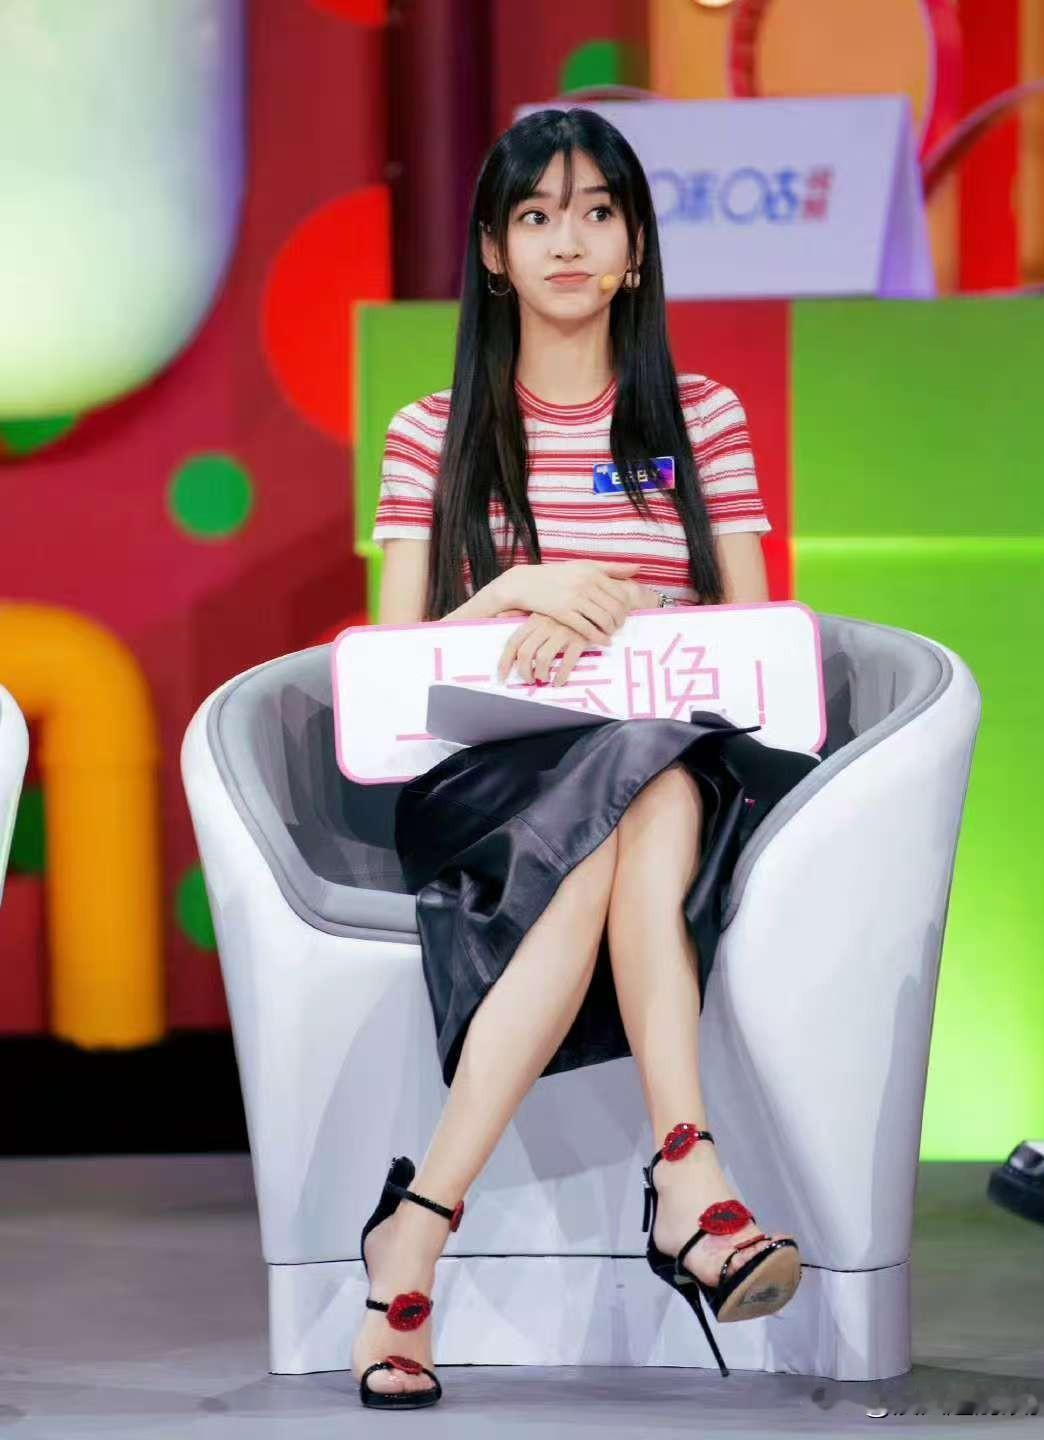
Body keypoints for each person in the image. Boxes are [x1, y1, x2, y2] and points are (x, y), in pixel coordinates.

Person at [351, 106, 819, 1411]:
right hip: (485, 784)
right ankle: (689, 1181)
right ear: (493, 252)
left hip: (668, 765)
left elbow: (752, 635)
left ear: (636, 245)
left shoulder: (701, 417)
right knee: (626, 801)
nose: (570, 240)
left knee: (646, 780)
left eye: (598, 212)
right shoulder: (433, 430)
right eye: (538, 214)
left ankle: (416, 1231)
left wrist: (632, 625)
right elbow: (395, 663)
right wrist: (514, 592)